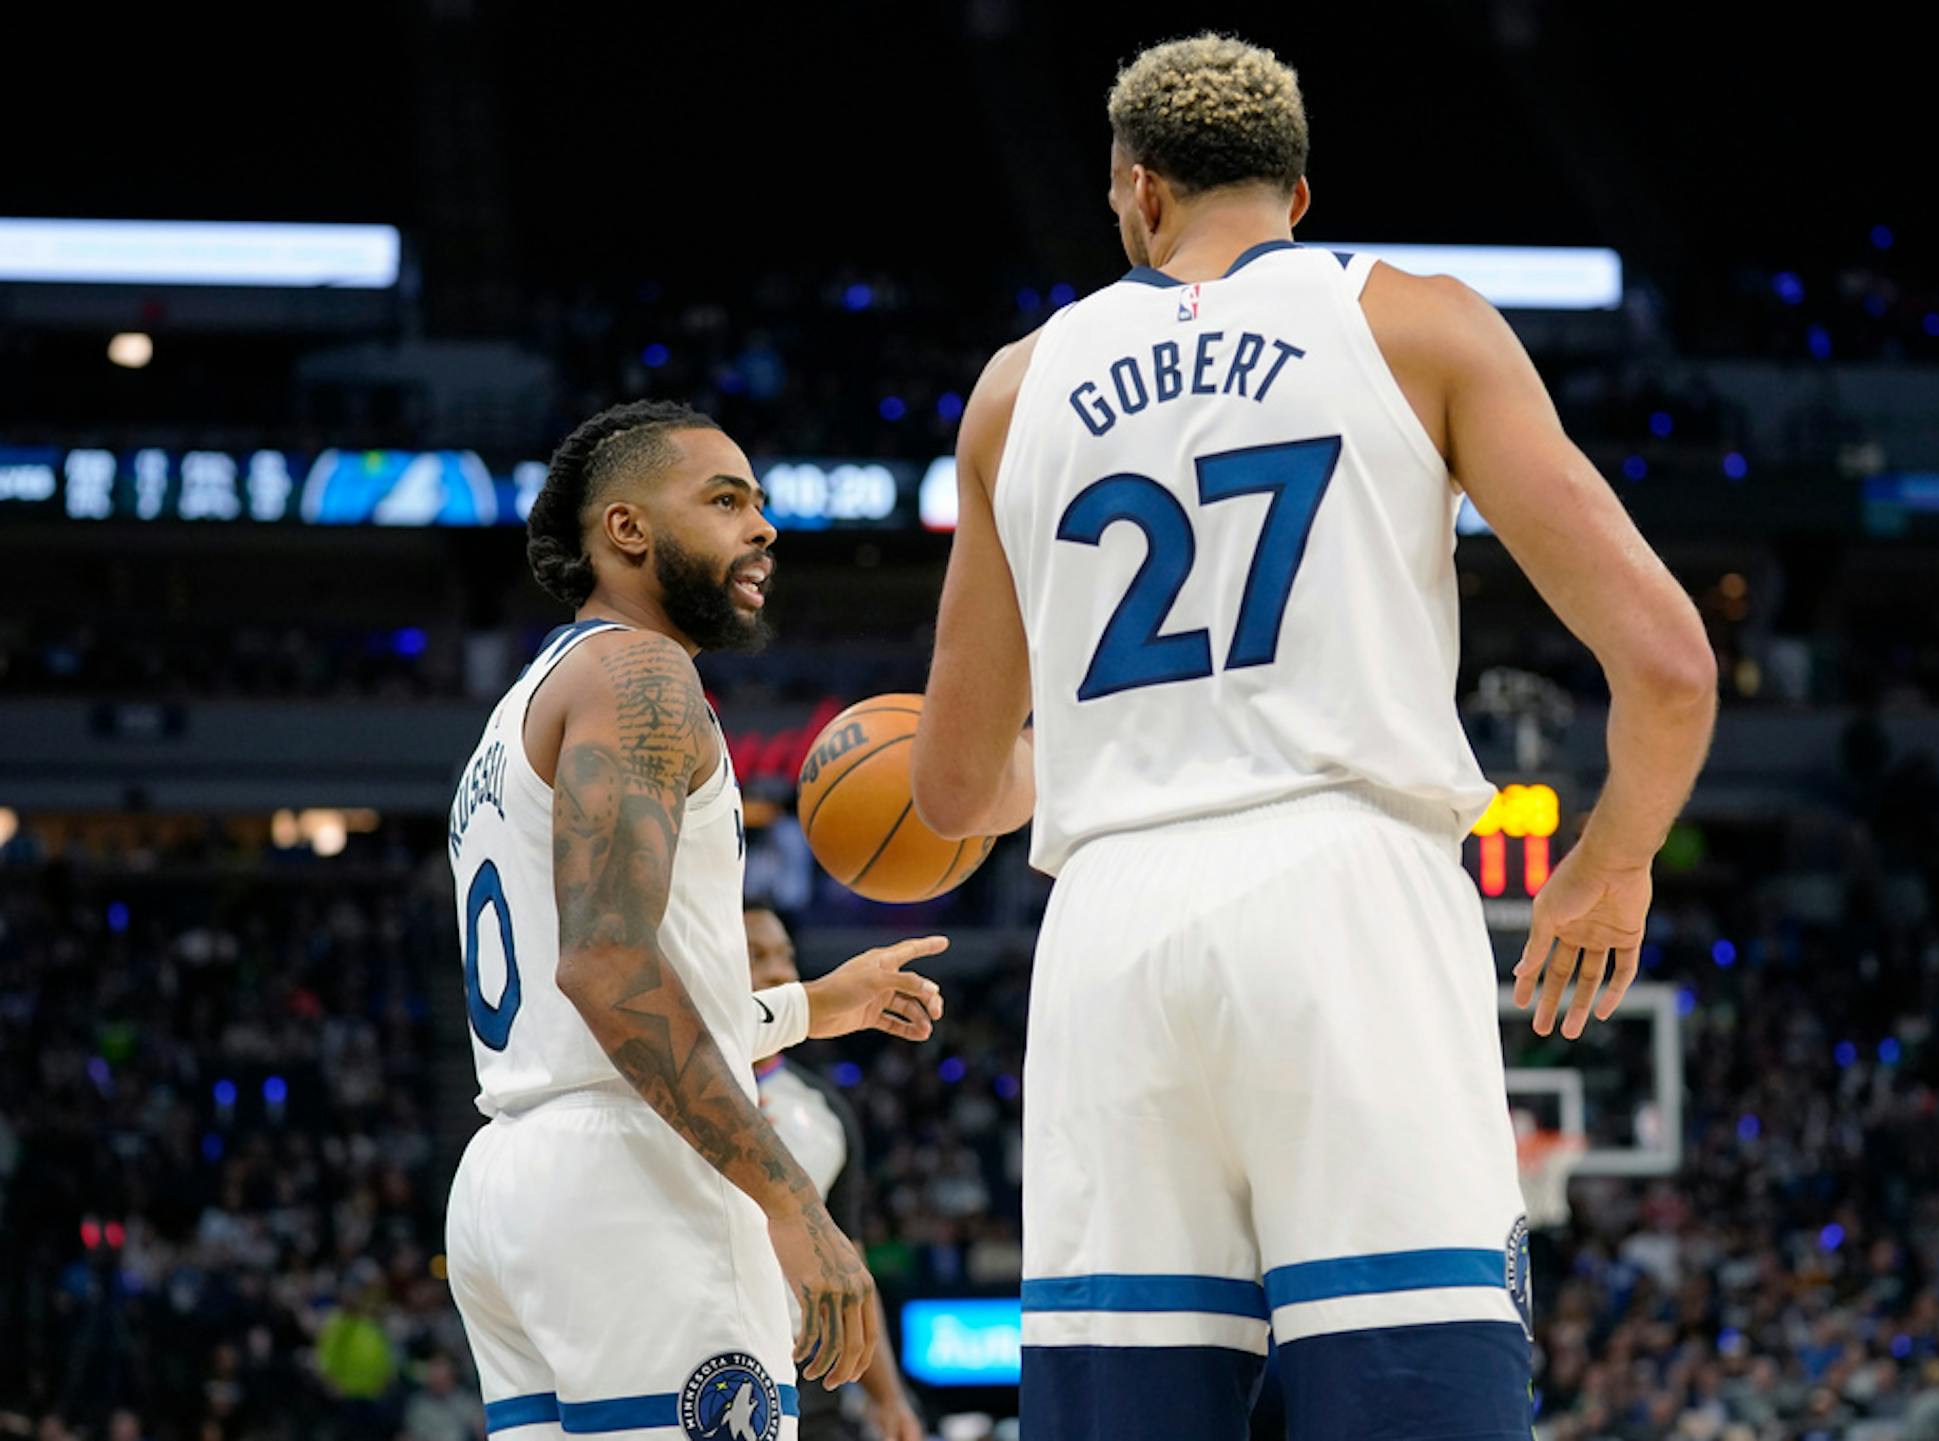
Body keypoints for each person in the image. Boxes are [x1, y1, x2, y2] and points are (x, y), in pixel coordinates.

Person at [911, 33, 1717, 1441]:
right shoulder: (1417, 321)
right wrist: (1615, 858)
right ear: (1299, 197)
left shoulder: (1012, 389)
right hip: (1348, 895)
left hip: (1109, 934)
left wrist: (1113, 755)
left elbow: (956, 785)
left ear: (1137, 195)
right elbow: (1666, 660)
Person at [445, 400, 949, 1440]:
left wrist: (807, 1005)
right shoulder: (641, 672)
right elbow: (606, 968)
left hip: (514, 1181)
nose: (762, 527)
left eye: (761, 504)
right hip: (638, 1180)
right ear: (625, 528)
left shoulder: (520, 708)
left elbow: (573, 990)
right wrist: (791, 1199)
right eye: (725, 500)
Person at [745, 903, 926, 1441]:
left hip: (807, 1374)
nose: (779, 972)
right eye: (755, 957)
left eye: (785, 957)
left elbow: (849, 1259)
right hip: (693, 1355)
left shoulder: (824, 1109)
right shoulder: (653, 1096)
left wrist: (888, 1399)